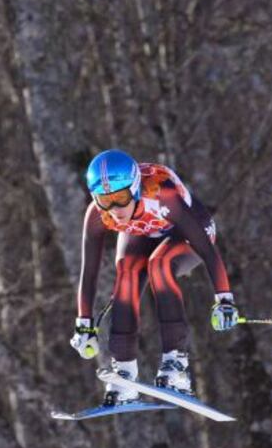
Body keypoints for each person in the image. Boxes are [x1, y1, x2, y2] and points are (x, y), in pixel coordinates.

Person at [70, 149, 238, 406]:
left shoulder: (162, 195)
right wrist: (84, 323)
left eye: (121, 197)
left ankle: (176, 363)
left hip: (187, 231)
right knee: (126, 270)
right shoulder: (97, 214)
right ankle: (123, 369)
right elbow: (89, 270)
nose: (114, 208)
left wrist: (224, 298)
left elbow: (206, 249)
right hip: (144, 231)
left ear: (135, 188)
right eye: (105, 200)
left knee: (159, 264)